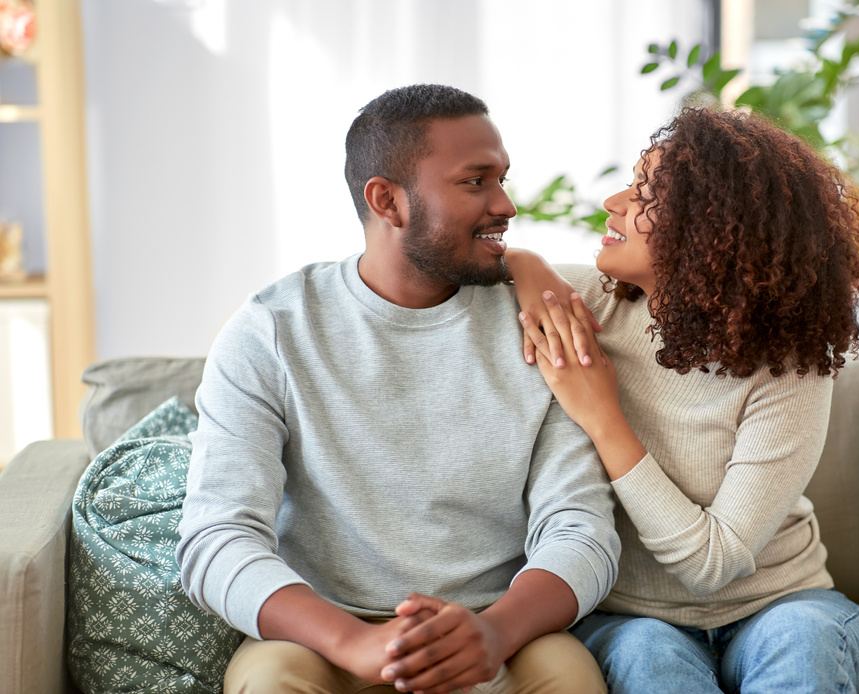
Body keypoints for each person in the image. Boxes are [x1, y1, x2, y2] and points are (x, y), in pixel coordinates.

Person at [176, 84, 620, 694]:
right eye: (475, 182)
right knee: (271, 681)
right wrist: (351, 640)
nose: (506, 205)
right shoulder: (271, 331)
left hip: (500, 629)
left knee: (569, 678)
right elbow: (215, 537)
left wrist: (493, 633)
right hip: (326, 636)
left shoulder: (538, 324)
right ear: (387, 200)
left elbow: (581, 529)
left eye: (502, 179)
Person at [507, 105, 859, 694]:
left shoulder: (786, 366)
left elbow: (717, 560)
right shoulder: (587, 306)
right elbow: (483, 262)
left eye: (645, 193)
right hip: (633, 621)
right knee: (649, 658)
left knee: (801, 646)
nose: (615, 202)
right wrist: (526, 263)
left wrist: (603, 416)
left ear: (713, 227)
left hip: (784, 607)